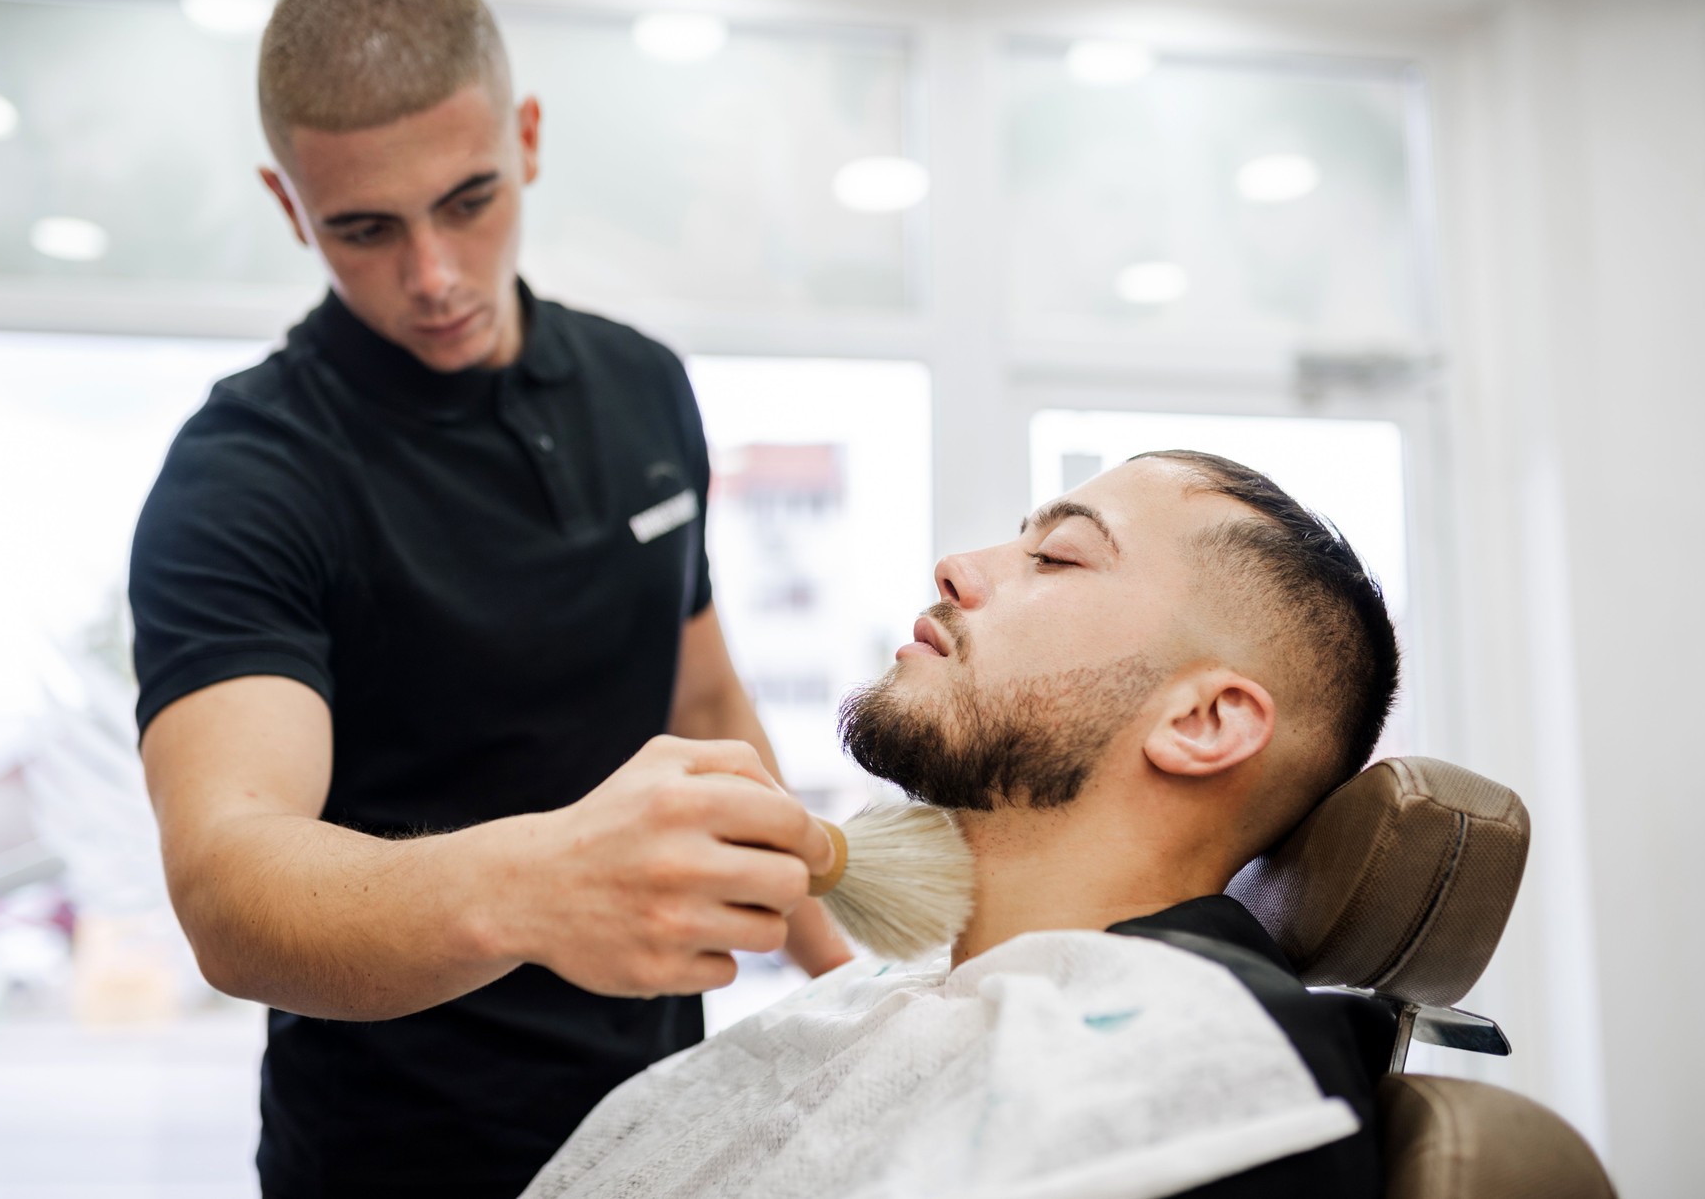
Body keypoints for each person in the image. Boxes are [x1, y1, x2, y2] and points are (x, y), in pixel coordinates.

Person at [127, 0, 848, 1199]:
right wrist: (534, 885)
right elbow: (230, 881)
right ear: (291, 205)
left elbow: (707, 704)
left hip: (663, 1126)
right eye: (364, 228)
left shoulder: (643, 383)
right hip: (391, 1152)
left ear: (525, 137)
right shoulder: (246, 473)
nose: (436, 276)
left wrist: (842, 974)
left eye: (469, 199)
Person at [522, 450, 1403, 1199]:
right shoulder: (888, 1000)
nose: (955, 567)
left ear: (1202, 721)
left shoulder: (1208, 1078)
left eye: (1058, 557)